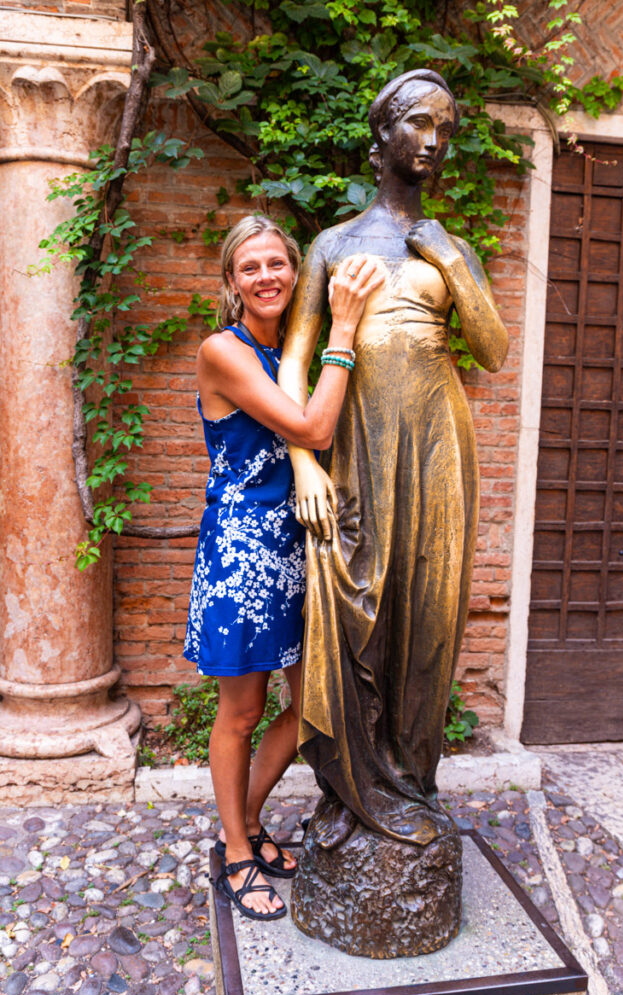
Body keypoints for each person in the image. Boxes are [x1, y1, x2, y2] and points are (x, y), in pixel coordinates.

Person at [278, 70, 509, 852]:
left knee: (429, 607)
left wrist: (453, 262)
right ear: (381, 139)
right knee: (352, 611)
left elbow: (492, 350)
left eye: (444, 126)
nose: (434, 141)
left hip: (439, 442)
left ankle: (414, 782)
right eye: (417, 123)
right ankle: (350, 786)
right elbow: (293, 361)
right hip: (353, 446)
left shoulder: (450, 246)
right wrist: (303, 462)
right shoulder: (333, 244)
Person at [183, 214, 384, 919]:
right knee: (240, 713)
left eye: (277, 264)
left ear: (295, 272)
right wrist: (344, 331)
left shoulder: (289, 354)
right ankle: (236, 853)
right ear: (231, 283)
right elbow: (312, 429)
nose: (266, 276)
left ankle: (243, 823)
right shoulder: (225, 351)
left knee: (310, 708)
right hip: (244, 550)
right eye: (250, 268)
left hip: (306, 545)